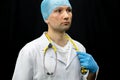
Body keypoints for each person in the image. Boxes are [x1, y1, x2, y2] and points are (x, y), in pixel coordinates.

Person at [12, 0, 99, 80]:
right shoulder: (30, 51)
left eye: (69, 10)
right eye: (59, 10)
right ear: (46, 17)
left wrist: (92, 73)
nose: (66, 16)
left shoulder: (79, 48)